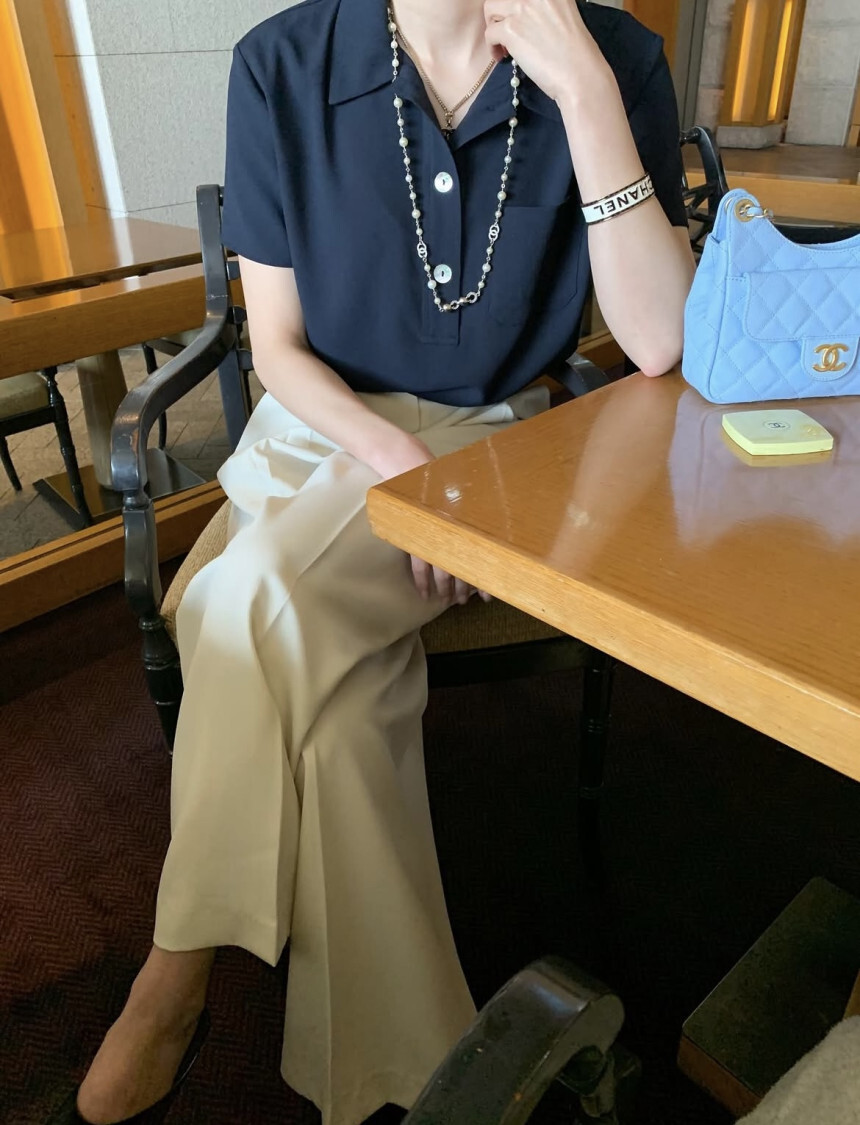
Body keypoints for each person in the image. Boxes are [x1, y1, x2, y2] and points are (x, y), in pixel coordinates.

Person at [57, 1, 695, 1123]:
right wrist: (399, 467)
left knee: (242, 597)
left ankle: (176, 968)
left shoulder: (616, 57)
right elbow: (275, 345)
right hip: (321, 430)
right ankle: (401, 1071)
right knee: (341, 709)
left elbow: (658, 340)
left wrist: (588, 96)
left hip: (499, 447)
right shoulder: (282, 63)